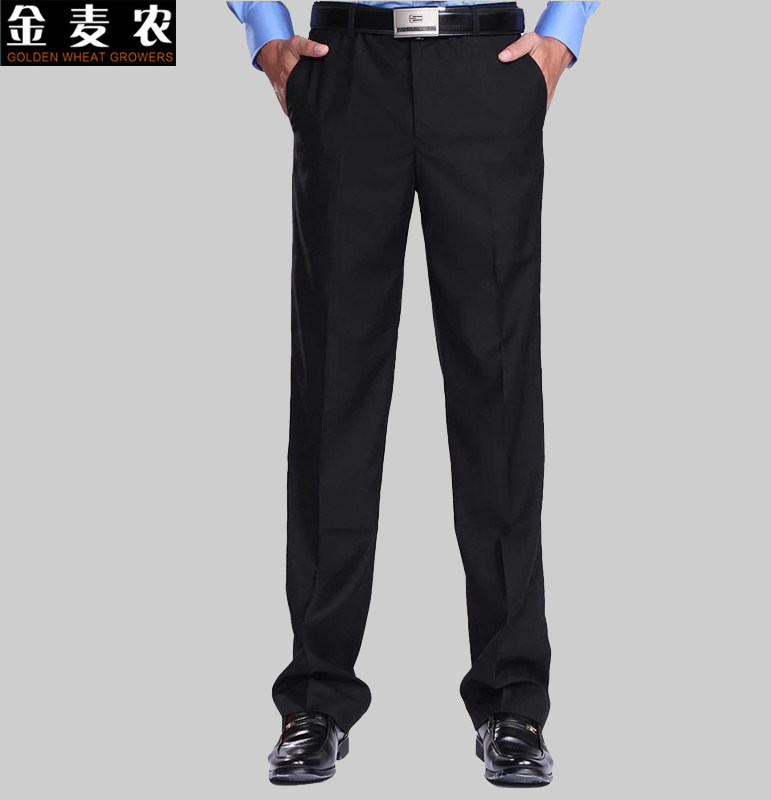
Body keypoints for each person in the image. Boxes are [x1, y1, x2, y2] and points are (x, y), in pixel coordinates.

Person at [227, 0, 599, 786]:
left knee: (497, 386)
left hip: (487, 68)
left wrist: (564, 33)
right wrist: (264, 29)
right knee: (334, 387)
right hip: (346, 66)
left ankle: (513, 703)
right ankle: (315, 700)